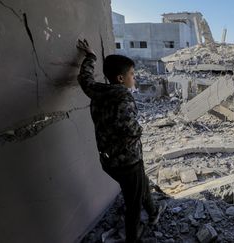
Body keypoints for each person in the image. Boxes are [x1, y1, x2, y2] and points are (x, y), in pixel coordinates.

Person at [76, 39, 166, 243]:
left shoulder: (98, 91)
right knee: (133, 204)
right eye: (131, 75)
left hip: (108, 160)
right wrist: (140, 129)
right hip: (128, 162)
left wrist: (90, 57)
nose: (134, 78)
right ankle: (133, 238)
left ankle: (153, 213)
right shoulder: (123, 97)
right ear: (120, 78)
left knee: (142, 185)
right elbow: (130, 130)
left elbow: (84, 78)